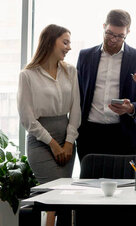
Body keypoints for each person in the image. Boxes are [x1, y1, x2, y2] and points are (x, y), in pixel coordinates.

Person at [18, 24, 81, 226]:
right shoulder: (27, 75)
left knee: (63, 199)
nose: (69, 47)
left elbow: (76, 109)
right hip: (41, 142)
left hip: (67, 138)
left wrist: (69, 141)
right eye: (65, 42)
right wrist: (53, 143)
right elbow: (27, 118)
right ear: (50, 41)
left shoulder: (71, 71)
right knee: (56, 194)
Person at [76, 9, 136, 161]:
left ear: (127, 32)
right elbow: (77, 94)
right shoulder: (85, 56)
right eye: (109, 33)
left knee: (124, 184)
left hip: (124, 136)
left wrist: (132, 108)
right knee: (87, 183)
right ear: (104, 26)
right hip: (89, 134)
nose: (113, 39)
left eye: (119, 36)